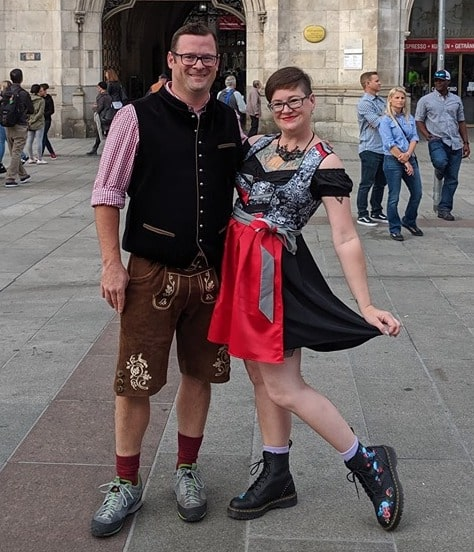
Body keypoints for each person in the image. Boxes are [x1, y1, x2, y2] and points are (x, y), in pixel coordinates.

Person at [208, 66, 404, 532]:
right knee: (260, 379)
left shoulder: (325, 162)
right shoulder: (256, 145)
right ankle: (278, 474)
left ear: (311, 102)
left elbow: (345, 238)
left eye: (295, 100)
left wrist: (366, 303)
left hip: (276, 278)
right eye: (278, 103)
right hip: (239, 269)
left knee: (283, 386)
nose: (286, 110)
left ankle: (367, 461)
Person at [90, 22, 242, 538]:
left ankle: (186, 469)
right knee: (135, 380)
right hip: (150, 272)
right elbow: (108, 191)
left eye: (208, 58)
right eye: (190, 57)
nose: (200, 65)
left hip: (210, 275)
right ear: (172, 61)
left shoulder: (229, 119)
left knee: (200, 374)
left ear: (217, 64)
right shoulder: (135, 117)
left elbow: (246, 180)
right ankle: (126, 480)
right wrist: (113, 263)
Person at [415, 69, 470, 221]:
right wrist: (427, 135)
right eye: (436, 80)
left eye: (441, 80)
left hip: (455, 142)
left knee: (452, 179)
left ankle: (444, 208)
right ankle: (440, 169)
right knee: (440, 161)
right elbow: (419, 120)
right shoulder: (426, 100)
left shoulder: (456, 100)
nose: (438, 83)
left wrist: (466, 142)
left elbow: (461, 121)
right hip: (437, 140)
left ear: (448, 82)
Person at [378, 87, 423, 242]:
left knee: (417, 192)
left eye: (402, 98)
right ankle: (395, 228)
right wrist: (404, 161)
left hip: (409, 157)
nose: (400, 101)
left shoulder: (408, 118)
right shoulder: (385, 120)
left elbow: (414, 137)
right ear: (390, 99)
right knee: (394, 197)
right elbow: (389, 144)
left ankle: (409, 220)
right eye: (397, 98)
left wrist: (408, 156)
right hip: (392, 160)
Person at [356, 71, 388, 226]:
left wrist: (385, 117)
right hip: (370, 148)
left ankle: (376, 210)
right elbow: (378, 122)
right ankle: (362, 213)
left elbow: (392, 116)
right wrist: (385, 117)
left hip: (384, 148)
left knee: (381, 182)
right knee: (366, 182)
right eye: (377, 80)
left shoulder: (381, 101)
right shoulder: (365, 103)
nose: (380, 83)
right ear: (367, 84)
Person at [3, 69, 34, 187]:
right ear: (21, 78)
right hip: (20, 125)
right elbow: (31, 109)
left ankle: (23, 175)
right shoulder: (23, 93)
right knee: (17, 152)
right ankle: (10, 178)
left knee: (13, 152)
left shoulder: (6, 91)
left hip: (8, 125)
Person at [87, 81, 112, 156]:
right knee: (100, 133)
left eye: (98, 87)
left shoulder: (102, 96)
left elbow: (100, 107)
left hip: (102, 116)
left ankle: (102, 149)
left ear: (101, 87)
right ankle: (95, 148)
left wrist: (95, 108)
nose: (97, 88)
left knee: (101, 132)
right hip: (106, 115)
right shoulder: (108, 96)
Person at [25, 84, 47, 165]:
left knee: (29, 140)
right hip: (39, 122)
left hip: (29, 122)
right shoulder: (41, 100)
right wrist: (34, 120)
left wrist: (29, 120)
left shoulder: (28, 99)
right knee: (39, 141)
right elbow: (40, 113)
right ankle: (39, 158)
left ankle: (31, 158)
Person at [39, 83, 57, 159]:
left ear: (45, 91)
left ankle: (41, 154)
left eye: (41, 91)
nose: (40, 92)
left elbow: (52, 110)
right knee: (44, 137)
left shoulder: (49, 98)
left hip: (46, 120)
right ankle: (52, 152)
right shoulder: (38, 98)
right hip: (39, 120)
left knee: (43, 136)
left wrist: (44, 114)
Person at [0, 80, 10, 175]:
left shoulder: (4, 97)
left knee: (2, 141)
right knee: (6, 140)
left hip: (3, 121)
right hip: (5, 121)